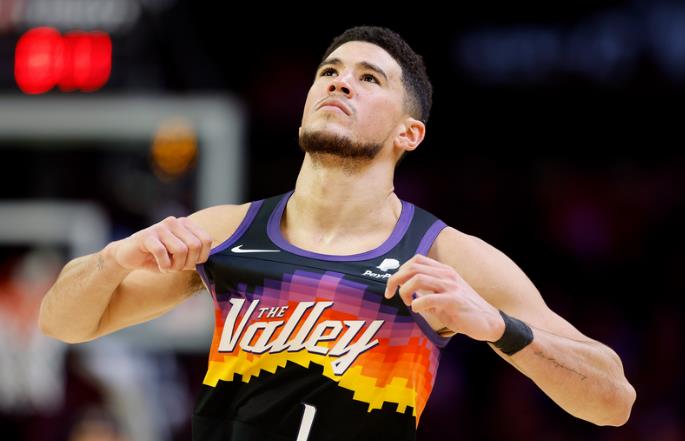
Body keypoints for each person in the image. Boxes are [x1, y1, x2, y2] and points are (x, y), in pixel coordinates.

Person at [39, 26, 636, 441]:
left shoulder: (444, 255)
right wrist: (115, 258)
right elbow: (63, 322)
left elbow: (613, 400)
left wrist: (497, 326)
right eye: (329, 71)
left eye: (369, 78)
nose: (340, 83)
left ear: (409, 133)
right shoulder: (229, 230)